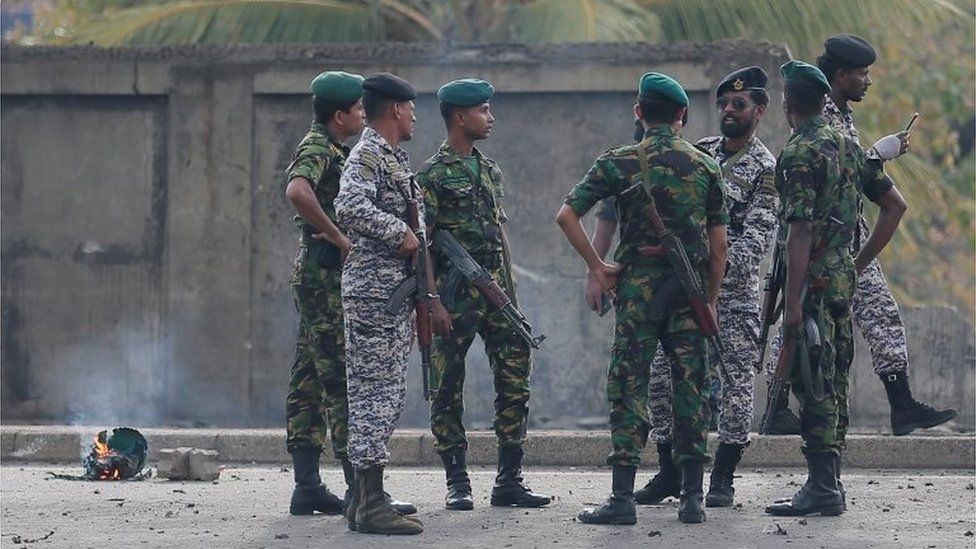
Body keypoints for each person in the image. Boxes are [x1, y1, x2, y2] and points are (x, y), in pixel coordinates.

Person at [596, 67, 775, 508]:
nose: (729, 112)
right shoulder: (702, 152)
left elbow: (755, 238)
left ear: (759, 111)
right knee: (661, 383)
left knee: (734, 387)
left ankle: (723, 477)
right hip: (675, 292)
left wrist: (708, 273)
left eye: (740, 105)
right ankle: (670, 472)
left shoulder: (767, 168)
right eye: (724, 106)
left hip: (729, 298)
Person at [763, 34, 956, 436]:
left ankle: (901, 405)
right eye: (862, 74)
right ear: (840, 75)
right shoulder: (820, 111)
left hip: (848, 235)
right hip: (821, 240)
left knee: (882, 316)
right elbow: (839, 167)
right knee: (798, 318)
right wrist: (877, 155)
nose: (868, 82)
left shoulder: (842, 113)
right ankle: (778, 405)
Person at [556, 72, 728, 525]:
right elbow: (719, 250)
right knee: (690, 389)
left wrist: (597, 265)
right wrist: (709, 300)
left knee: (628, 387)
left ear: (638, 113)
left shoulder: (618, 161)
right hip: (689, 293)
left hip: (637, 293)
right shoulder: (707, 166)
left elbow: (566, 214)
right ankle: (693, 498)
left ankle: (622, 498)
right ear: (682, 116)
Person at [765, 60, 903, 517]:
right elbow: (894, 206)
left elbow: (799, 231)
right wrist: (856, 264)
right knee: (834, 378)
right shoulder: (848, 146)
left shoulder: (800, 151)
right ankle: (831, 482)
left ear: (787, 103)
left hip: (813, 288)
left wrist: (793, 307)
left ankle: (822, 485)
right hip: (840, 282)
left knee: (813, 380)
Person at [417, 78, 551, 511]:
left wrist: (509, 297)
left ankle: (509, 479)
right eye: (483, 111)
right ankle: (457, 481)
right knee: (446, 385)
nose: (490, 118)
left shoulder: (491, 170)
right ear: (460, 117)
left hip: (496, 294)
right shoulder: (432, 175)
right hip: (453, 298)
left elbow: (499, 238)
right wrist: (432, 299)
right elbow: (424, 244)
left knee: (515, 381)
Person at [283, 70, 412, 517]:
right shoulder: (320, 146)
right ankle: (360, 488)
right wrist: (340, 237)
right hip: (324, 280)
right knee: (342, 378)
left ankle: (308, 485)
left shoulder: (342, 148)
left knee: (307, 378)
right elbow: (297, 190)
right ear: (339, 115)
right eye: (358, 109)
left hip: (317, 279)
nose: (363, 114)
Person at [335, 72, 451, 535]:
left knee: (386, 395)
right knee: (373, 397)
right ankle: (366, 505)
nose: (415, 116)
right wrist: (397, 232)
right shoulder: (368, 155)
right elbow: (349, 206)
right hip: (374, 296)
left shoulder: (390, 158)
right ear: (397, 110)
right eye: (412, 109)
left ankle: (369, 496)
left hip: (391, 296)